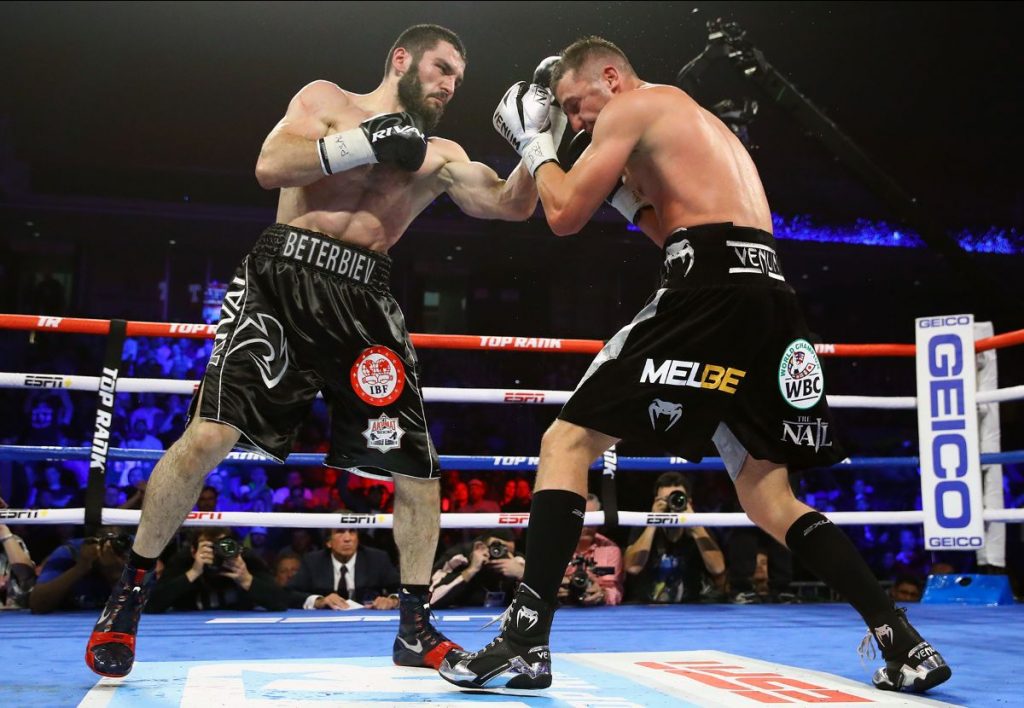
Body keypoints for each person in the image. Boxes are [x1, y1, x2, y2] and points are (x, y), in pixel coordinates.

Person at [440, 38, 950, 694]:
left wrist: (535, 145)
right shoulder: (691, 123)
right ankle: (902, 642)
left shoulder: (633, 106)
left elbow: (562, 215)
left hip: (709, 290)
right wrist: (622, 196)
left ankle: (524, 642)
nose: (576, 120)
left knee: (565, 442)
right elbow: (666, 230)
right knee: (769, 498)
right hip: (769, 296)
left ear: (610, 76)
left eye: (575, 103)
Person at [86, 23, 538, 678]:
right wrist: (365, 142)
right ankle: (130, 593)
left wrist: (538, 143)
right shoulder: (327, 100)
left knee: (417, 469)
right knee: (209, 435)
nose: (450, 86)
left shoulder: (440, 154)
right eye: (442, 69)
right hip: (281, 280)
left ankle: (414, 628)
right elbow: (271, 164)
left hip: (364, 300)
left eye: (458, 80)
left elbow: (507, 204)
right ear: (402, 59)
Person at [624, 473, 725, 604]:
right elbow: (632, 567)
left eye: (678, 498)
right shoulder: (642, 526)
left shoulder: (700, 529)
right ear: (656, 501)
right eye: (666, 500)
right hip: (646, 606)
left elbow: (718, 568)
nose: (672, 504)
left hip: (691, 607)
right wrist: (653, 522)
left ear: (689, 502)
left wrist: (694, 525)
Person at [146, 527, 288, 613]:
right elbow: (151, 605)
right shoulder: (184, 561)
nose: (216, 552)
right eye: (210, 547)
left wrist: (246, 579)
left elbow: (281, 602)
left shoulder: (245, 559)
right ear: (193, 550)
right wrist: (193, 573)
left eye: (223, 546)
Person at [285, 529, 400, 610]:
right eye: (340, 532)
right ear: (328, 542)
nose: (347, 539)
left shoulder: (377, 559)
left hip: (369, 622)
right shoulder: (313, 561)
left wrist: (393, 600)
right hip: (327, 623)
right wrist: (319, 601)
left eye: (352, 532)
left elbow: (405, 590)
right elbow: (288, 594)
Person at [428, 531, 523, 609]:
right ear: (480, 547)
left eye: (506, 551)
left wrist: (521, 574)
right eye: (495, 548)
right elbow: (431, 600)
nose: (499, 554)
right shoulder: (459, 558)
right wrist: (471, 570)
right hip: (459, 617)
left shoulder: (517, 561)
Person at [558, 494, 623, 606]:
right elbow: (538, 585)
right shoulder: (553, 547)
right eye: (581, 516)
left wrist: (603, 594)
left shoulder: (610, 549)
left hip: (597, 611)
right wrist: (550, 591)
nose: (586, 524)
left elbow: (615, 590)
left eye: (592, 518)